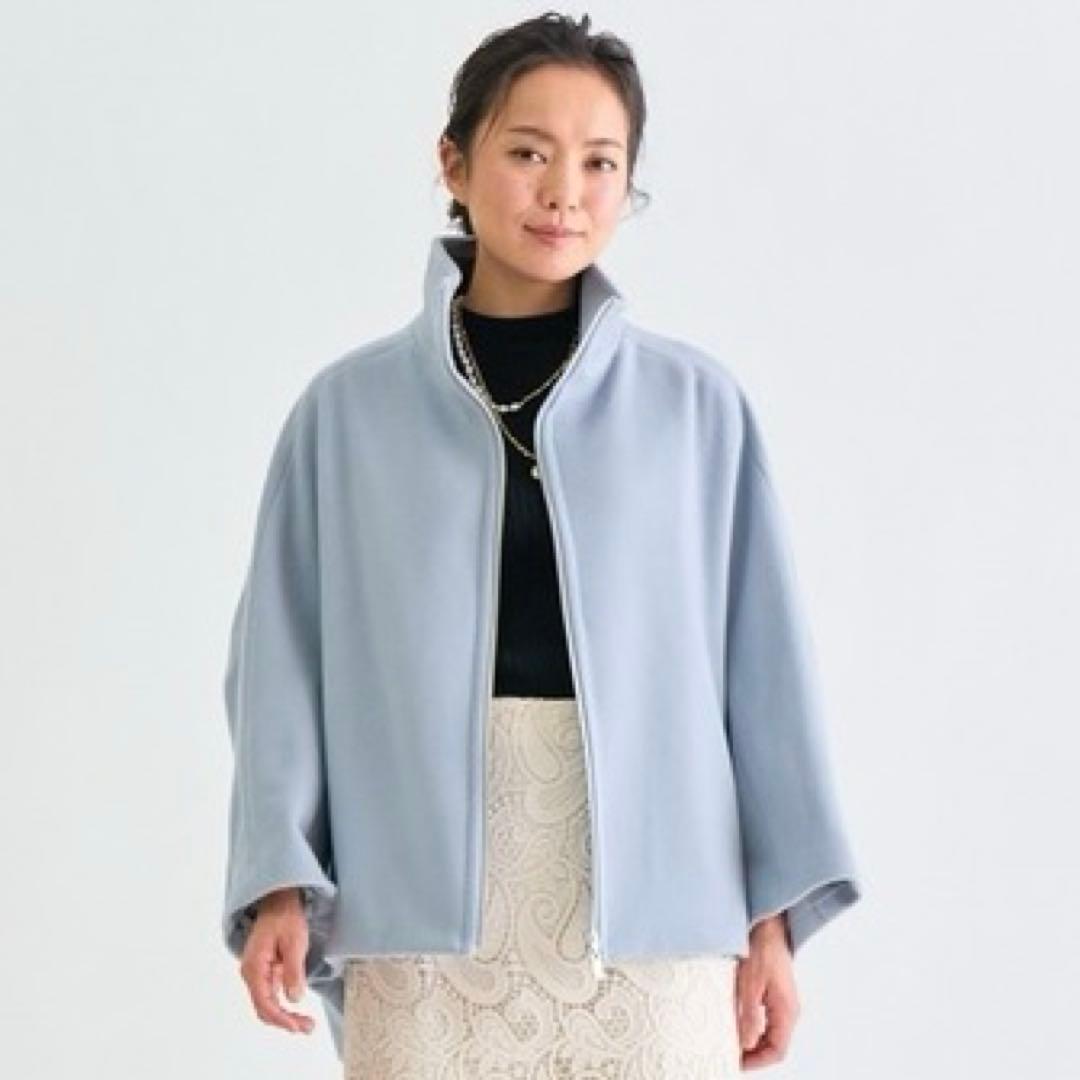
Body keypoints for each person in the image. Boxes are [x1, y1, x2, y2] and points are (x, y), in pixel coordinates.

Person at [220, 11, 862, 1077]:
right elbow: (278, 665)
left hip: (659, 911)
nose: (565, 190)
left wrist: (772, 923)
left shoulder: (697, 409)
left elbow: (765, 677)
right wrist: (280, 877)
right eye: (528, 152)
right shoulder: (346, 414)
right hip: (418, 910)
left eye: (600, 162)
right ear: (453, 165)